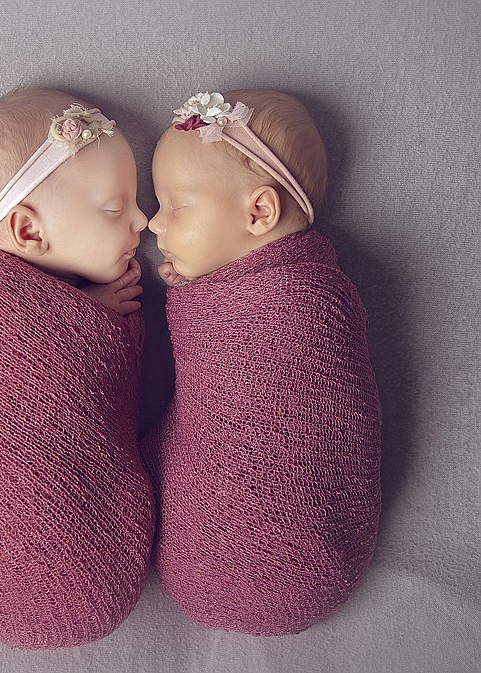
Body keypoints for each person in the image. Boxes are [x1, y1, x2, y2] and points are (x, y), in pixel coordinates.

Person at [144, 90, 382, 636]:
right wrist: (198, 295)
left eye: (175, 207)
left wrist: (197, 298)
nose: (154, 227)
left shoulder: (310, 299)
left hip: (293, 538)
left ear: (259, 212)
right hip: (274, 567)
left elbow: (319, 410)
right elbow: (213, 395)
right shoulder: (258, 289)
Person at [0, 87, 154, 650]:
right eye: (114, 208)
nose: (143, 222)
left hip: (82, 555)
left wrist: (88, 312)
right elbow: (6, 384)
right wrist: (92, 317)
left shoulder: (36, 295)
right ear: (29, 231)